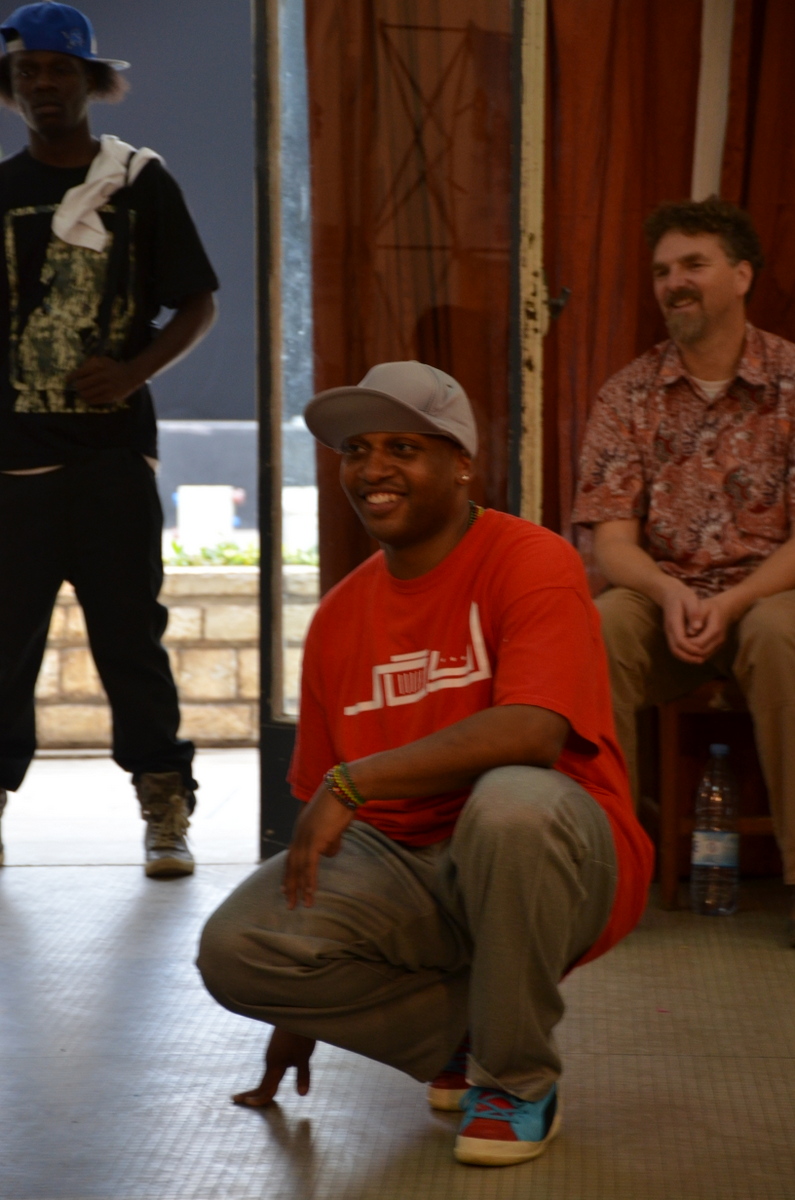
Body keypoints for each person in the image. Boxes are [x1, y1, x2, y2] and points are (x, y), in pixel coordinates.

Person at [198, 361, 653, 1167]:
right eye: (356, 450)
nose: (372, 469)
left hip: (555, 852)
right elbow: (317, 841)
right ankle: (468, 1028)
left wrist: (356, 781)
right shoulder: (339, 617)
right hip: (406, 867)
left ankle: (516, 1081)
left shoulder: (529, 559)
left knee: (510, 803)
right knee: (237, 947)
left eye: (402, 447)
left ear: (460, 463)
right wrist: (296, 1012)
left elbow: (532, 731)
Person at [0, 4, 219, 877]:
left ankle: (164, 803)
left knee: (131, 639)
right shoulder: (2, 190)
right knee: (3, 644)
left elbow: (197, 302)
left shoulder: (138, 183)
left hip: (112, 459)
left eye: (59, 68)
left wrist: (132, 373)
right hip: (14, 462)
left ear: (90, 79)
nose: (43, 85)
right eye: (27, 72)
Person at [572, 196, 795, 942]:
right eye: (663, 271)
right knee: (597, 628)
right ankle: (607, 874)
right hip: (662, 598)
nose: (674, 282)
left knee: (780, 636)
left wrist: (732, 601)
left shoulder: (792, 380)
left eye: (693, 265)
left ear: (741, 275)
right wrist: (667, 590)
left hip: (771, 594)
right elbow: (612, 543)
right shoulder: (627, 394)